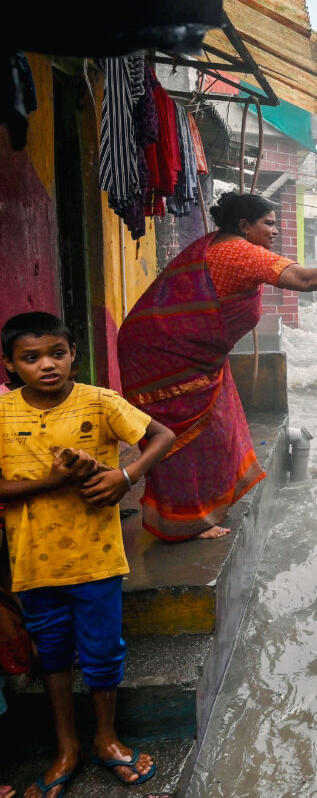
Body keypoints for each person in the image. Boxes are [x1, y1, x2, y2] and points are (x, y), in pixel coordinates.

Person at [117, 192, 317, 541]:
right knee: (191, 435)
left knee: (220, 424)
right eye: (268, 224)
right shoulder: (239, 252)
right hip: (168, 355)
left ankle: (189, 515)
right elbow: (307, 281)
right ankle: (182, 523)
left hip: (190, 353)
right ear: (244, 225)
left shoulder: (215, 245)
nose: (275, 231)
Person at [0, 312, 176, 797]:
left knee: (102, 652)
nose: (47, 366)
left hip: (96, 558)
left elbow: (162, 436)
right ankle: (66, 748)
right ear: (11, 365)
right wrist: (50, 482)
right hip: (33, 563)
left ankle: (106, 739)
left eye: (57, 353)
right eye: (31, 358)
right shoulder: (2, 413)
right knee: (52, 655)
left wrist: (125, 476)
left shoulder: (100, 402)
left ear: (74, 353)